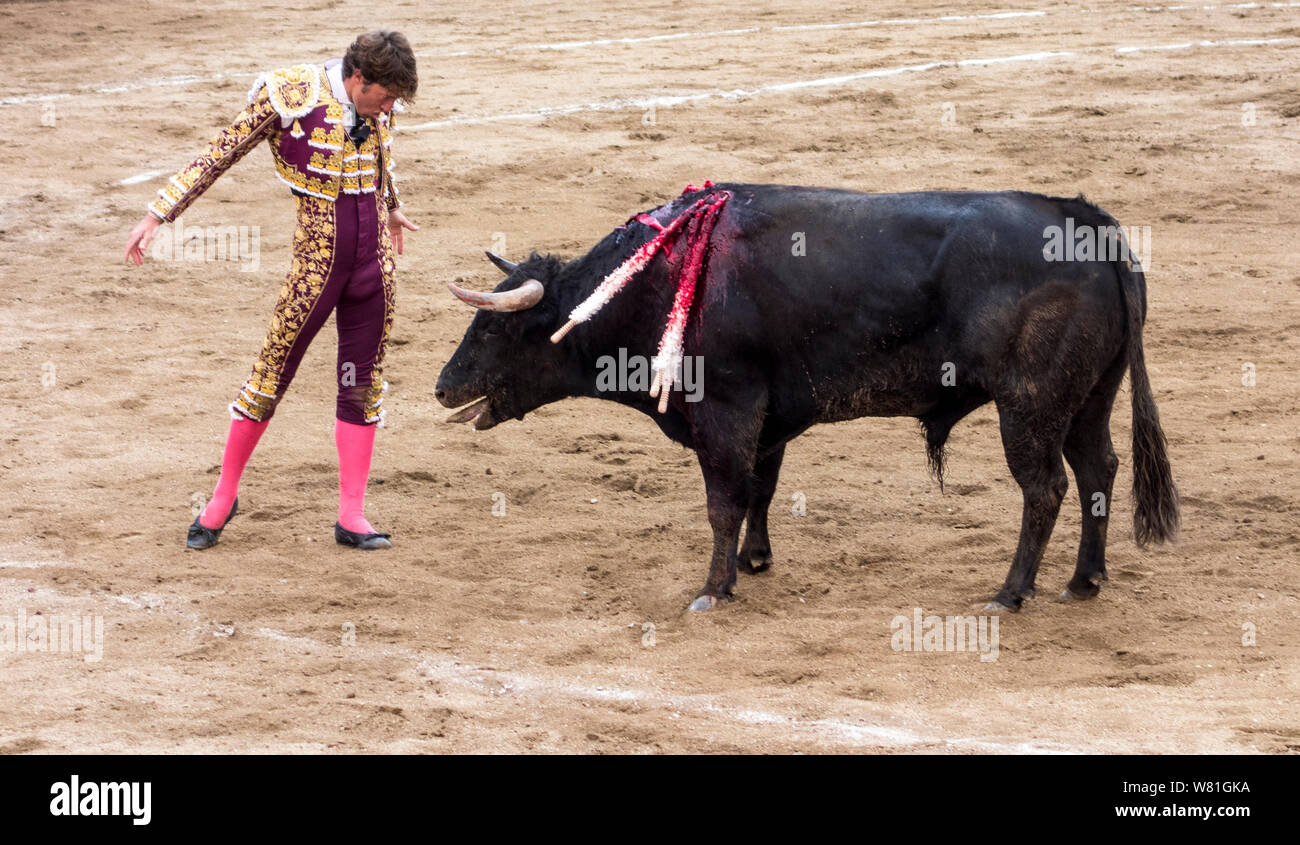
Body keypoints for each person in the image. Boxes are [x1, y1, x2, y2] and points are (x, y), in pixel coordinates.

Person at [123, 31, 420, 551]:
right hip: (316, 269)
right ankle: (222, 496)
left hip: (373, 270)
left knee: (360, 383)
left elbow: (379, 159)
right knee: (269, 376)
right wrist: (158, 213)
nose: (390, 108)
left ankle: (352, 515)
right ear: (357, 78)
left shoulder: (377, 104)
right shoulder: (290, 94)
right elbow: (222, 151)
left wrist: (391, 204)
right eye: (385, 97)